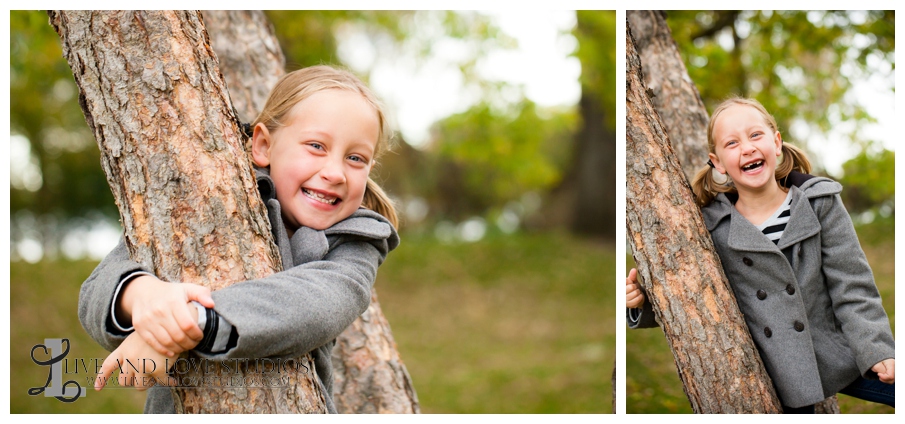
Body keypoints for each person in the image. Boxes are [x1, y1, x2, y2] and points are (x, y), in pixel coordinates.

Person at [79, 65, 400, 413]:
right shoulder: (214, 192)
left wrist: (185, 324)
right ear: (263, 145)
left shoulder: (359, 240)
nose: (335, 173)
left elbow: (318, 304)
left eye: (355, 158)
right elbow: (96, 289)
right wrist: (144, 298)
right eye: (316, 146)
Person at [625, 97, 895, 413]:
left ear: (776, 143)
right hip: (777, 371)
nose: (748, 148)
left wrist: (876, 349)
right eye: (732, 143)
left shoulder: (819, 202)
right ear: (719, 163)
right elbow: (696, 300)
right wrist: (642, 302)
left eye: (756, 135)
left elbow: (852, 287)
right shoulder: (711, 229)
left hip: (835, 348)